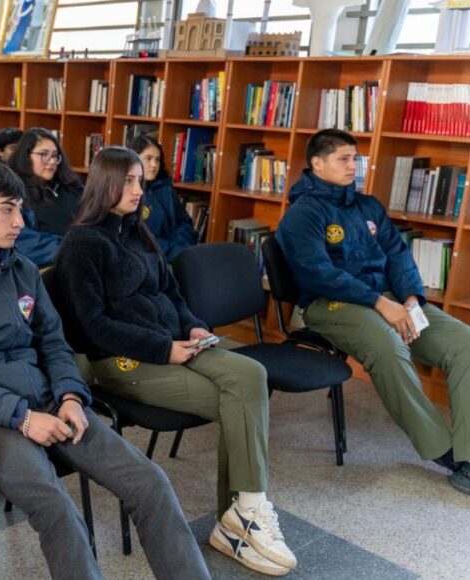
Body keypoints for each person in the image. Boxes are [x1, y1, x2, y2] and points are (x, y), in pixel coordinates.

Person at [0, 160, 210, 580]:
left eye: (20, 210)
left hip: (48, 403)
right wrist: (22, 417)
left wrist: (69, 394)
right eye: (7, 209)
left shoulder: (23, 268)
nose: (19, 221)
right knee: (57, 507)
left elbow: (53, 342)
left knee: (150, 482)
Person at [55, 147, 297, 576]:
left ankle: (245, 509)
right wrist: (163, 349)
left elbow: (171, 294)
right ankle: (241, 520)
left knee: (252, 374)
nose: (138, 189)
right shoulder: (82, 243)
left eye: (139, 181)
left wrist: (193, 327)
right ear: (103, 184)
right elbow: (93, 326)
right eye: (128, 181)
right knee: (236, 402)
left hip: (175, 343)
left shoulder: (137, 232)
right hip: (121, 361)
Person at [276, 129, 470, 494]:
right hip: (329, 304)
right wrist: (382, 303)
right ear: (317, 164)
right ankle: (443, 450)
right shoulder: (302, 214)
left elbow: (397, 253)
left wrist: (411, 298)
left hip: (388, 298)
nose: (354, 166)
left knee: (465, 343)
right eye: (343, 159)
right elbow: (318, 274)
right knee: (388, 345)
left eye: (356, 158)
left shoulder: (368, 206)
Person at [128, 134, 198, 261]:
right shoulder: (126, 193)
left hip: (177, 254)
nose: (154, 165)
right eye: (148, 159)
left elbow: (185, 223)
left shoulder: (166, 189)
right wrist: (175, 251)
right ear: (134, 160)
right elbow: (138, 238)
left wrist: (180, 245)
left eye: (158, 159)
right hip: (148, 260)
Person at [9, 127, 83, 237]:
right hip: (51, 253)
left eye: (54, 155)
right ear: (26, 157)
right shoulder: (14, 192)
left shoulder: (72, 187)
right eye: (44, 154)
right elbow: (24, 239)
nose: (52, 161)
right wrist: (68, 248)